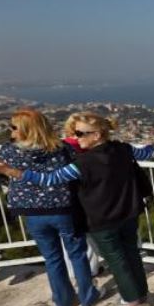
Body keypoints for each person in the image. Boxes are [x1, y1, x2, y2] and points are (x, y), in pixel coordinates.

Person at [0, 112, 154, 306]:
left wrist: (8, 171)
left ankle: (130, 299)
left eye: (79, 133)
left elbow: (48, 179)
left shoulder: (82, 163)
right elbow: (146, 153)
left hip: (99, 219)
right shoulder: (123, 149)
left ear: (96, 135)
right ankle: (133, 293)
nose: (75, 138)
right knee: (130, 253)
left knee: (115, 260)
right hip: (126, 212)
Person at [0, 108, 101, 306]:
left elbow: (4, 163)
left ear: (25, 129)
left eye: (13, 127)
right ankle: (87, 297)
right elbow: (75, 167)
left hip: (33, 213)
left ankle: (62, 301)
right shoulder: (61, 149)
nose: (11, 130)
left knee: (52, 258)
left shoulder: (10, 151)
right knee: (76, 254)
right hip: (63, 209)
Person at [60, 112, 102, 278]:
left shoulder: (61, 146)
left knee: (71, 239)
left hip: (65, 199)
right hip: (84, 197)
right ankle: (90, 271)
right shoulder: (81, 149)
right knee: (88, 237)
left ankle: (75, 273)